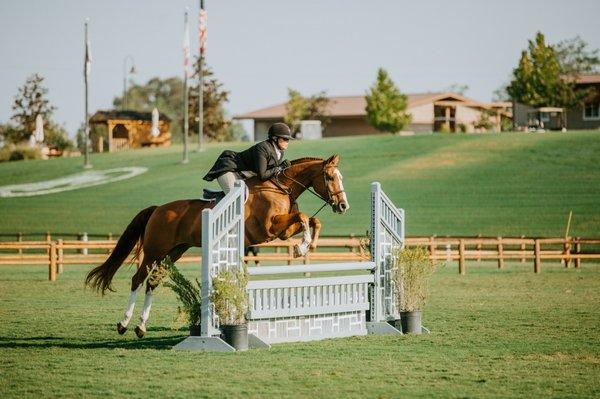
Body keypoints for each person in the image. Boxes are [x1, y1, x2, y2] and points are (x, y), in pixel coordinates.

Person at [203, 122, 293, 195]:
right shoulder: (262, 148)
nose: (287, 142)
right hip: (229, 172)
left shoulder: (280, 152)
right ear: (275, 138)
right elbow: (262, 175)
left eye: (288, 140)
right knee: (237, 199)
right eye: (285, 139)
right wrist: (280, 167)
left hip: (244, 178)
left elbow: (272, 173)